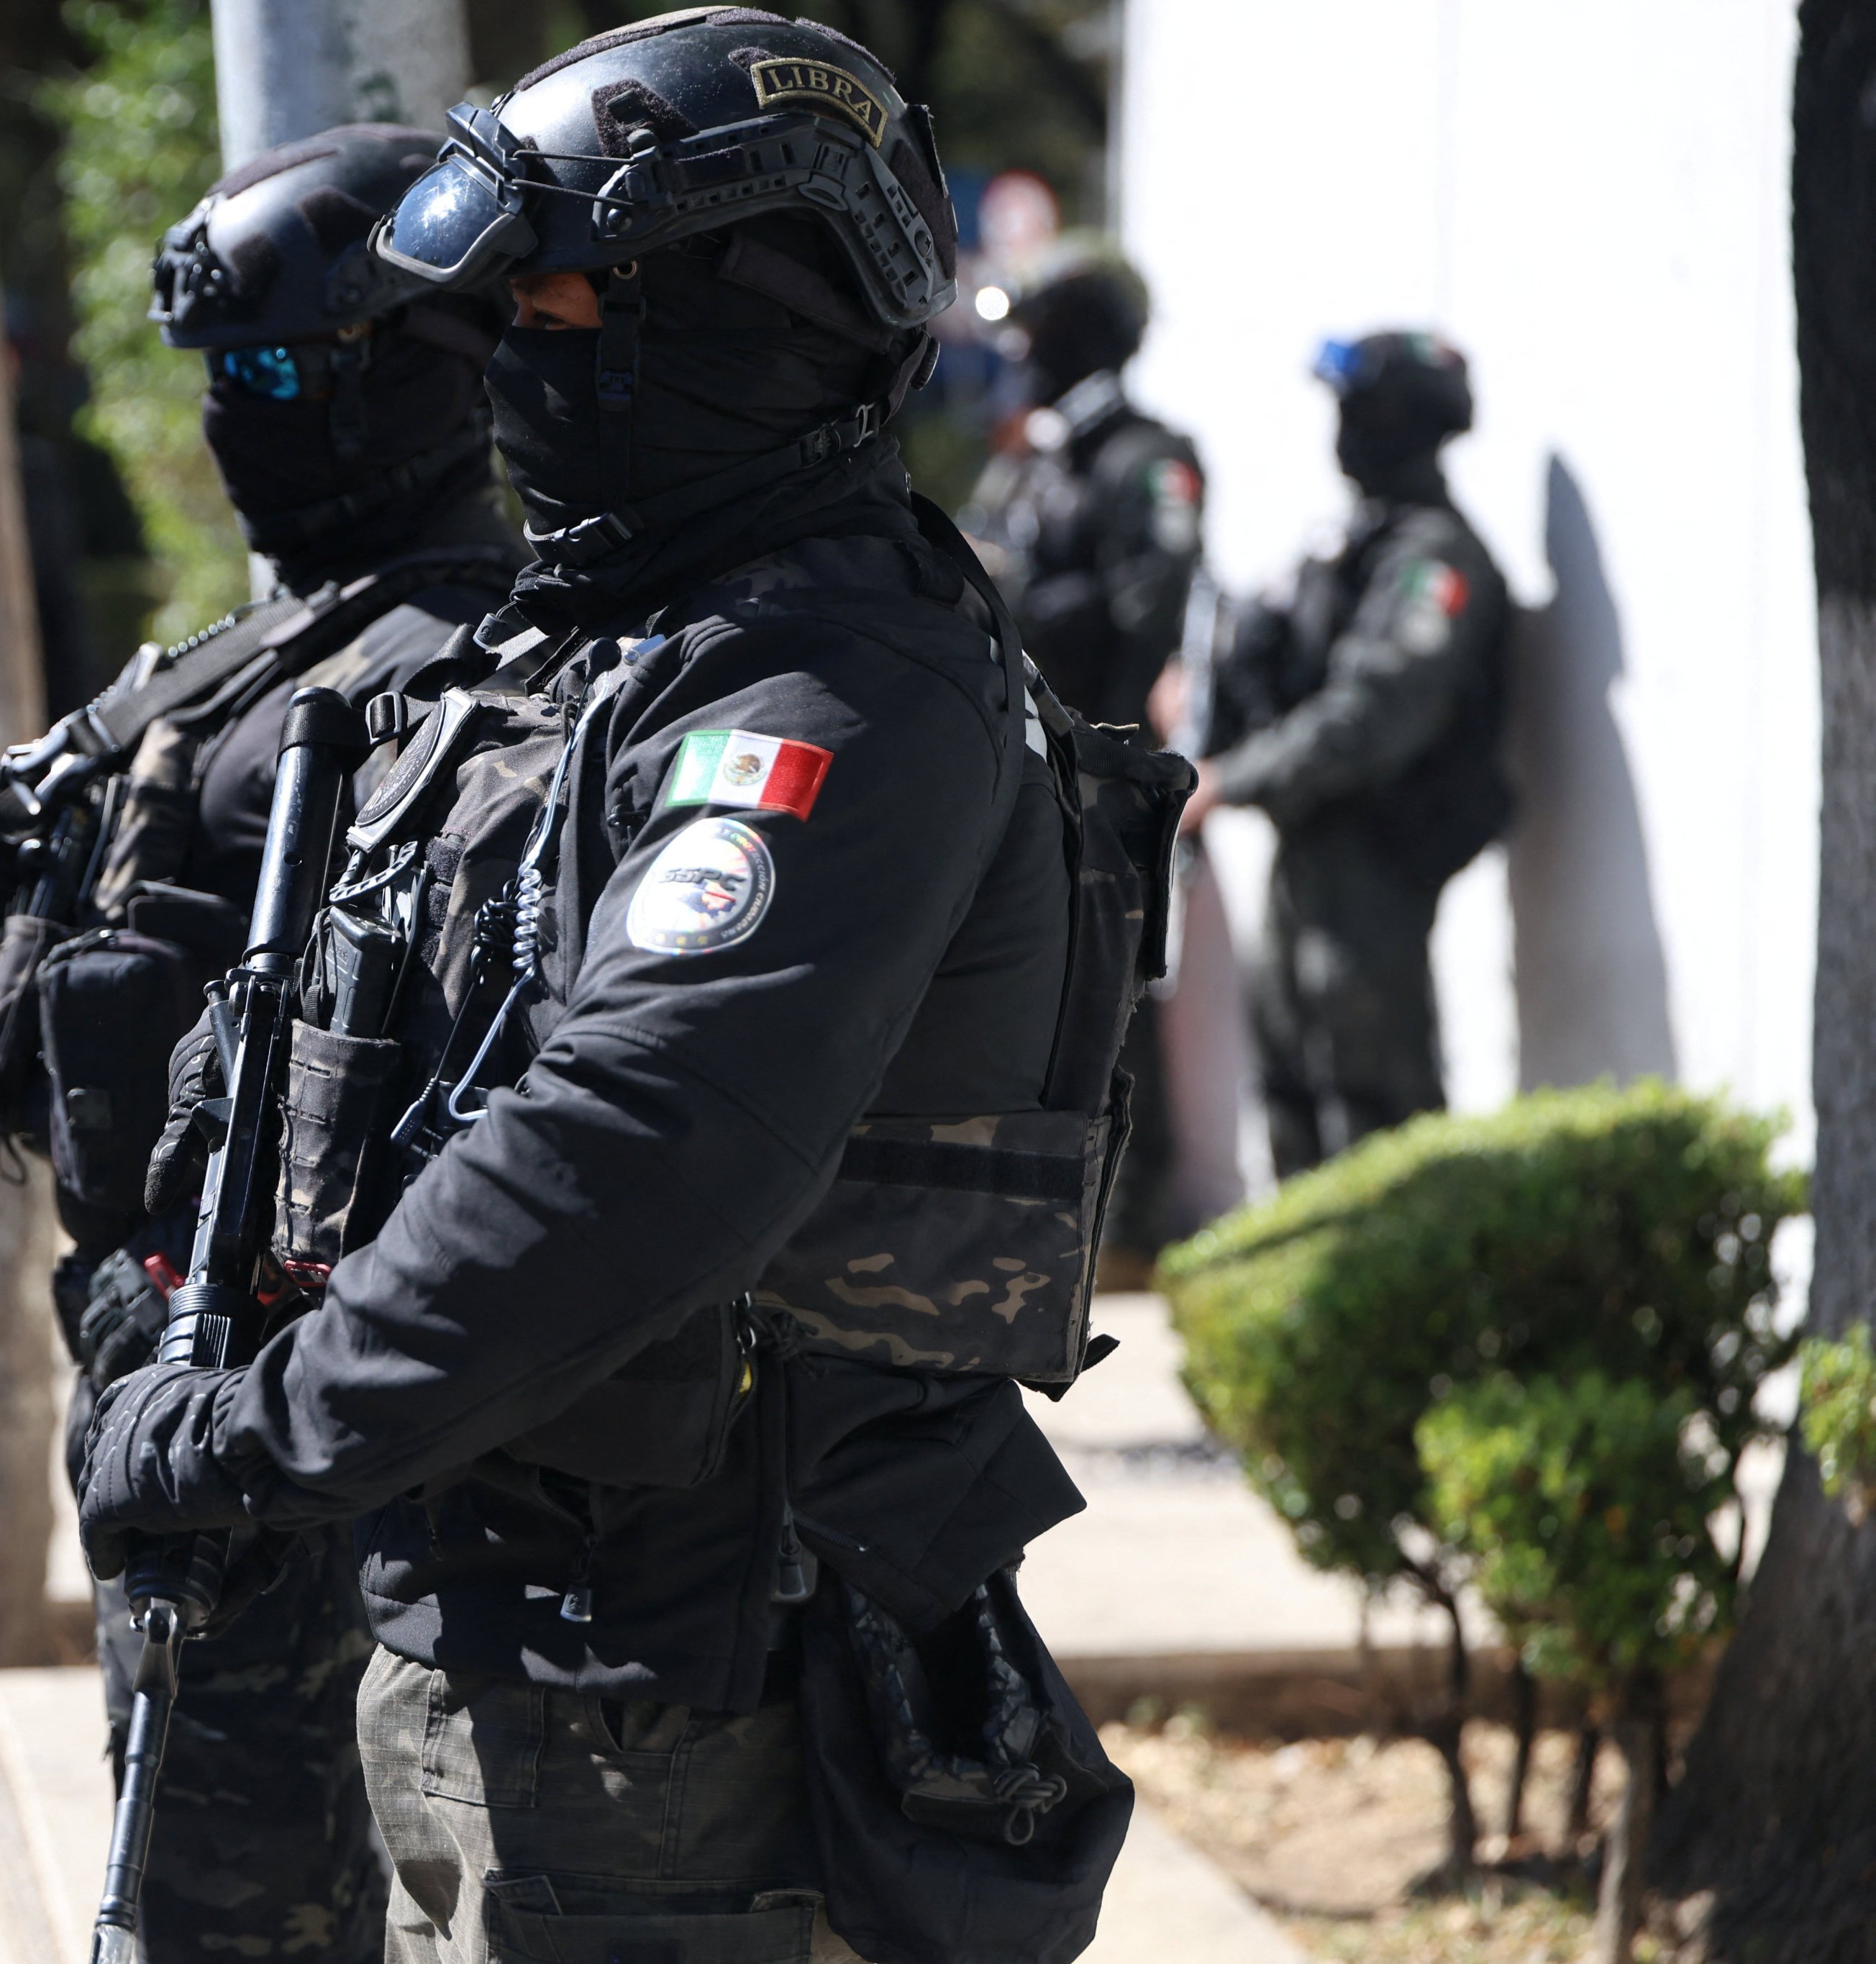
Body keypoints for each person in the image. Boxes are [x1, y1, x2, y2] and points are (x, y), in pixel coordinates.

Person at [78, 15, 1159, 1962]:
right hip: (516, 1656)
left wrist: (255, 1433)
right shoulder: (602, 667)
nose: (511, 368)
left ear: (741, 314)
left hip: (707, 1717)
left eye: (557, 312)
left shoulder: (828, 701)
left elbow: (631, 1139)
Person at [0, 125, 522, 1964]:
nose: (244, 417)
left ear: (431, 372)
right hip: (163, 1378)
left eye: (284, 371)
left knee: (261, 1904)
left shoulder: (499, 681)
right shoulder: (237, 668)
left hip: (306, 1417)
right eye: (223, 377)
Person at [1188, 331, 1511, 1176]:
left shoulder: (1433, 557)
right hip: (1314, 850)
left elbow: (1370, 716)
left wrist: (1232, 779)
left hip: (1379, 856)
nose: (1345, 434)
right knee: (1293, 1081)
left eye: (1360, 413)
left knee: (1376, 1100)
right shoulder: (1351, 542)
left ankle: (1405, 1308)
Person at [960, 237, 1206, 1278]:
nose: (1024, 352)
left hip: (1097, 763)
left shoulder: (1146, 457)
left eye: (1042, 332)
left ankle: (1125, 1228)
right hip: (1007, 757)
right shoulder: (1031, 454)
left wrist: (1023, 612)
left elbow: (1141, 613)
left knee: (1104, 991)